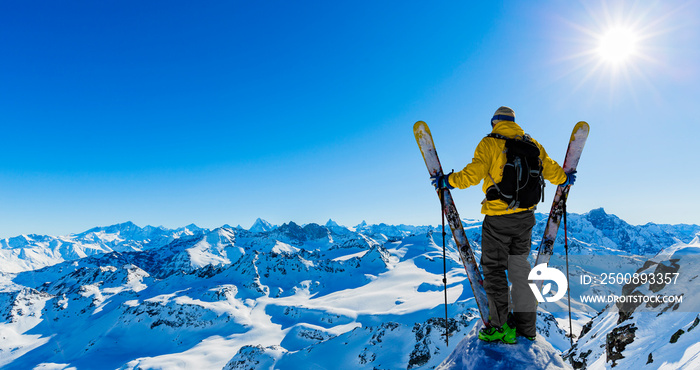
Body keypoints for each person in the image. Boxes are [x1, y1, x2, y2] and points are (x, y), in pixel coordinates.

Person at [431, 106, 575, 344]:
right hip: (526, 218)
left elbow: (472, 175)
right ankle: (527, 329)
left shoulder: (490, 143)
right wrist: (566, 178)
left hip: (498, 219)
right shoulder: (533, 144)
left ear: (494, 123)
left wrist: (447, 181)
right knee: (521, 271)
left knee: (494, 270)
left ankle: (499, 327)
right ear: (514, 122)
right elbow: (552, 171)